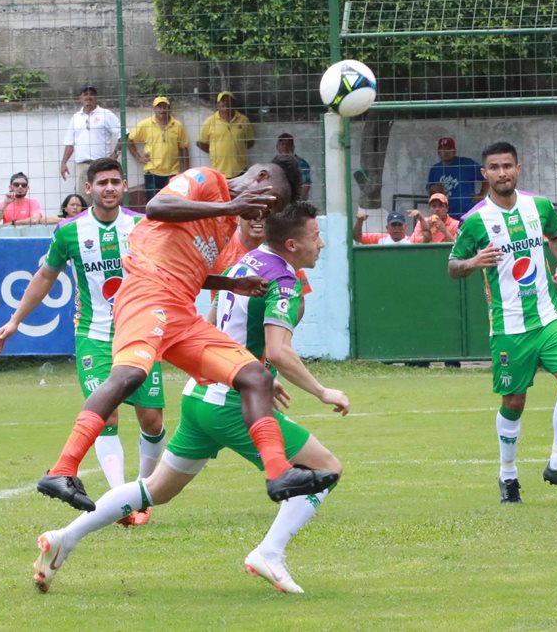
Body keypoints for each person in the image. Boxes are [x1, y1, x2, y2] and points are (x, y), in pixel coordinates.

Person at [33, 203, 348, 595]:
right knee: (326, 469)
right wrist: (320, 390)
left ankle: (65, 537)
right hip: (233, 405)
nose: (322, 242)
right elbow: (280, 350)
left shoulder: (245, 262)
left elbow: (215, 316)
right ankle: (270, 551)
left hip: (202, 395)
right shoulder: (283, 279)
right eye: (315, 235)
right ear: (292, 243)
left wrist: (252, 371)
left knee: (155, 490)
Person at [35, 155, 338, 514]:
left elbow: (190, 268)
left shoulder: (226, 221)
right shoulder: (207, 180)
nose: (262, 216)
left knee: (255, 374)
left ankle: (279, 473)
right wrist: (230, 203)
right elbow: (156, 206)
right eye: (267, 205)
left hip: (180, 310)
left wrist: (231, 282)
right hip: (147, 290)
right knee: (130, 375)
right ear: (258, 178)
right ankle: (61, 470)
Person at [0, 159, 168, 522]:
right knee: (104, 414)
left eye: (115, 182)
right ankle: (121, 499)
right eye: (102, 182)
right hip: (94, 335)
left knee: (151, 420)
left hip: (137, 332)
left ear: (124, 186)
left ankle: (141, 491)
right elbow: (45, 277)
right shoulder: (69, 231)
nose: (109, 188)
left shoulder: (141, 226)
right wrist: (14, 322)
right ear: (88, 188)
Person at [448, 141, 557, 504]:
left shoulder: (538, 206)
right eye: (494, 167)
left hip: (547, 315)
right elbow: (453, 266)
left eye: (507, 166)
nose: (502, 173)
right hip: (508, 325)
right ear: (485, 174)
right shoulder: (475, 220)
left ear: (518, 168)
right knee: (514, 401)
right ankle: (508, 475)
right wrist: (473, 262)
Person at [60, 84, 121, 190]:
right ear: (81, 98)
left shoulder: (106, 114)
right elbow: (69, 144)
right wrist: (63, 163)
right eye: (85, 94)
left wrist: (114, 155)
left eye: (92, 94)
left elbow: (124, 135)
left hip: (102, 166)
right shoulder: (75, 118)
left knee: (103, 197)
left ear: (96, 98)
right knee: (83, 200)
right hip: (82, 167)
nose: (88, 97)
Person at [128, 96, 189, 199]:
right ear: (154, 109)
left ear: (169, 108)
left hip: (172, 173)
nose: (162, 110)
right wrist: (138, 157)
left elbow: (184, 148)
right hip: (152, 172)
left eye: (164, 106)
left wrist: (187, 172)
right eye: (159, 107)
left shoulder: (177, 125)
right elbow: (129, 140)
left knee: (173, 204)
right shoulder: (145, 124)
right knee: (153, 204)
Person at [427, 137, 487, 220]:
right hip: (445, 216)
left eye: (449, 149)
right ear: (438, 152)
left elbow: (487, 176)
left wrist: (482, 194)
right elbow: (430, 191)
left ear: (454, 151)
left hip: (467, 214)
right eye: (443, 149)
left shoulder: (466, 163)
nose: (446, 152)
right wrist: (435, 190)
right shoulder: (435, 169)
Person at [197, 92, 253, 177]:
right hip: (218, 170)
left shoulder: (243, 120)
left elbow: (250, 141)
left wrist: (237, 149)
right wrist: (214, 152)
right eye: (222, 101)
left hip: (240, 169)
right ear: (218, 105)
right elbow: (200, 143)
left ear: (233, 103)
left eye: (228, 100)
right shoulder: (210, 121)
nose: (226, 103)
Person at [276, 133, 311, 201]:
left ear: (293, 147)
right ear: (277, 147)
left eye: (288, 144)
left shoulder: (301, 164)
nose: (285, 147)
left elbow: (305, 186)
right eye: (282, 144)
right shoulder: (274, 164)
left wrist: (296, 203)